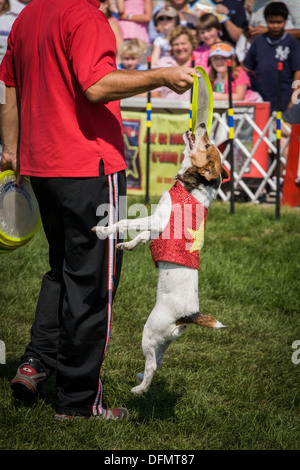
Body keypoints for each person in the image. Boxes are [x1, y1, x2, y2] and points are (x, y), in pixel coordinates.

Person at [0, 0, 197, 421]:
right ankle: (77, 403)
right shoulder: (86, 15)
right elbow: (97, 85)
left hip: (42, 165)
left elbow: (7, 90)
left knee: (63, 270)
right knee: (93, 286)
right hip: (90, 166)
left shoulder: (29, 14)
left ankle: (35, 363)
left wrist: (12, 149)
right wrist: (161, 75)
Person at [243, 2, 300, 114]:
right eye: (271, 22)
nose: (275, 26)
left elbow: (298, 73)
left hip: (285, 97)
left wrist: (294, 99)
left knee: (280, 129)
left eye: (279, 22)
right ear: (265, 20)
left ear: (285, 21)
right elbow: (246, 67)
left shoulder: (292, 43)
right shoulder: (258, 41)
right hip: (260, 97)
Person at [152, 25, 198, 100]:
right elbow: (155, 93)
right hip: (167, 108)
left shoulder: (201, 62)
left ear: (192, 44)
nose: (180, 47)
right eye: (176, 44)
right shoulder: (162, 64)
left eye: (183, 43)